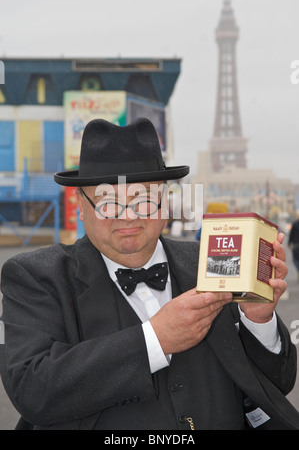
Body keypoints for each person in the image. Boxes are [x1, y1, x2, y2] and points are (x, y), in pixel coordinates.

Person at [0, 118, 298, 430]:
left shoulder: (212, 260)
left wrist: (259, 319)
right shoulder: (36, 276)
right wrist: (154, 340)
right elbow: (32, 390)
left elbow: (276, 382)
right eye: (108, 202)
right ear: (81, 206)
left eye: (143, 200)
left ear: (165, 200)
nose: (128, 216)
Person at [288, 211, 299, 281]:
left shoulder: (294, 224)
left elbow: (291, 234)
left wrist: (289, 243)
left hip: (296, 245)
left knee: (295, 260)